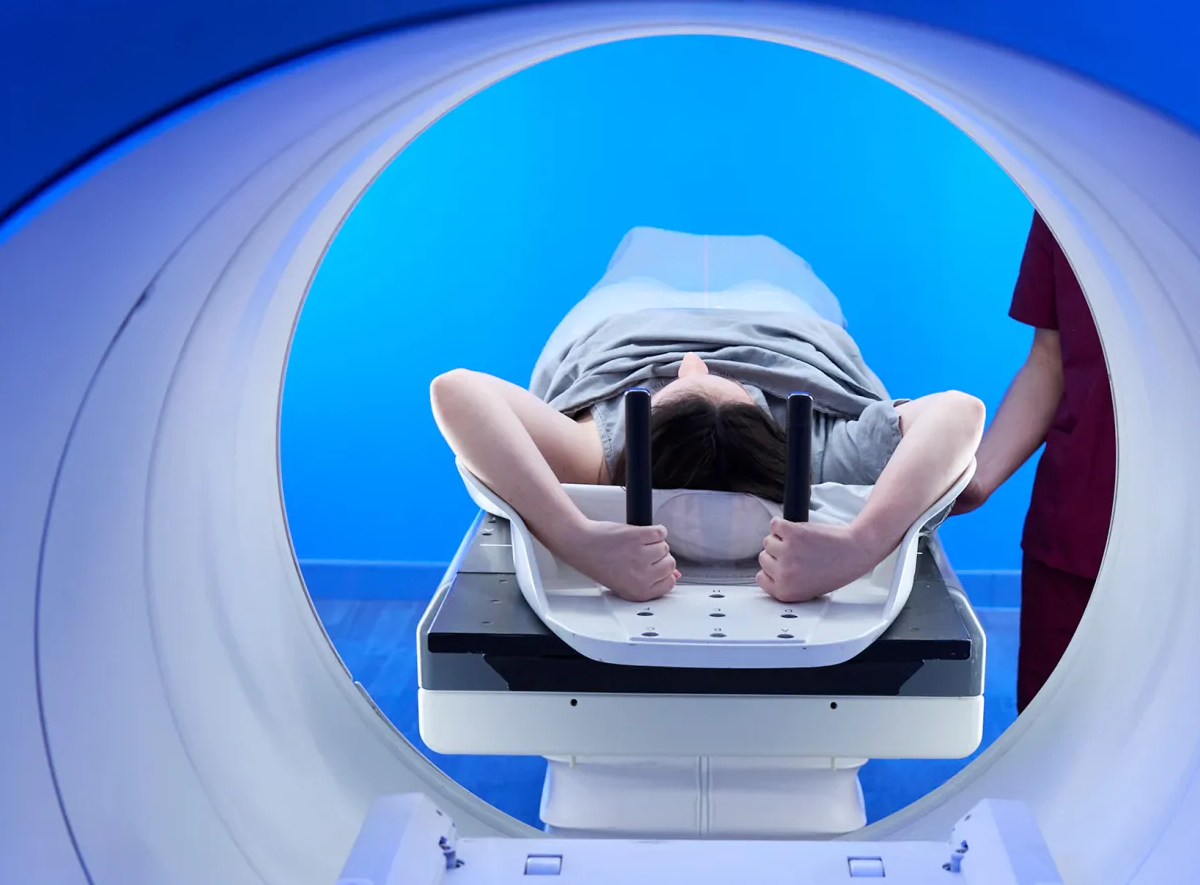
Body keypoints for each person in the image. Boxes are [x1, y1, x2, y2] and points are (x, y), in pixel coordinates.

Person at [430, 226, 984, 603]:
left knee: (649, 254)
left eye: (683, 384)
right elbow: (959, 410)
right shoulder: (819, 452)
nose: (693, 364)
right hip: (781, 315)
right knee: (764, 260)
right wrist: (858, 545)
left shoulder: (598, 452)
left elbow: (456, 389)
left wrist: (576, 537)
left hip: (629, 315)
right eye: (720, 384)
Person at [953, 212, 1116, 712]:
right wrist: (973, 480)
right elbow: (1050, 358)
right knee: (1057, 737)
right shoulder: (1068, 198)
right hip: (1076, 523)